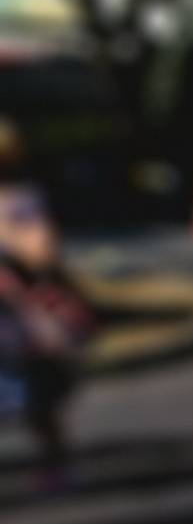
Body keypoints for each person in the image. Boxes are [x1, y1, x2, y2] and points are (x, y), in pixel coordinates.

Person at [0, 168, 96, 490]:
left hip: (18, 319)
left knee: (38, 397)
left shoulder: (19, 202)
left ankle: (57, 463)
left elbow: (43, 253)